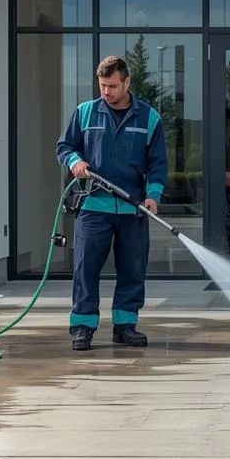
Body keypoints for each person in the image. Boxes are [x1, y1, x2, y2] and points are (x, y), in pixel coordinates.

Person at [56, 55, 168, 352]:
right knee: (85, 269)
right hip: (94, 206)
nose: (106, 92)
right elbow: (64, 146)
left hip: (133, 209)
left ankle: (125, 326)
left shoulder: (149, 118)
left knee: (132, 269)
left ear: (127, 82)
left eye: (113, 86)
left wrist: (153, 196)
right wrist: (75, 161)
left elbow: (158, 164)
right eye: (103, 85)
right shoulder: (85, 113)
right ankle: (83, 327)